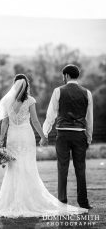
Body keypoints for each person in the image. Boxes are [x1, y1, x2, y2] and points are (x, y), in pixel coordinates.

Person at [0, 74, 88, 218]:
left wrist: (1, 141)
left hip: (12, 137)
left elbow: (5, 123)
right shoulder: (30, 100)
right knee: (28, 167)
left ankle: (12, 201)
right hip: (26, 136)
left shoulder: (7, 102)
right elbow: (35, 122)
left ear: (14, 85)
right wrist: (43, 136)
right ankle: (28, 200)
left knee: (13, 168)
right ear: (27, 86)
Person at [43, 64, 93, 209]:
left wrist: (45, 133)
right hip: (80, 135)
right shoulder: (87, 93)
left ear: (66, 76)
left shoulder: (58, 91)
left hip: (63, 134)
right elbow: (89, 118)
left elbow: (50, 114)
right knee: (80, 169)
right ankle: (83, 202)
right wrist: (89, 137)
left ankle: (62, 201)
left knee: (62, 168)